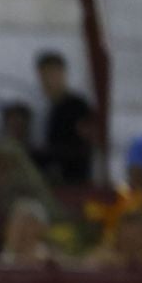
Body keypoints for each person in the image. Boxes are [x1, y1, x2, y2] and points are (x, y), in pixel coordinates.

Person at [32, 50, 94, 185]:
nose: (47, 81)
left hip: (71, 180)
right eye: (44, 75)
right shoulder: (45, 108)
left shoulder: (77, 107)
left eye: (52, 74)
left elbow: (79, 147)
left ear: (62, 74)